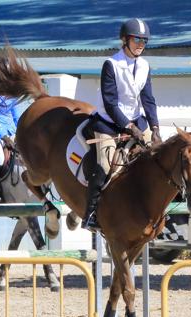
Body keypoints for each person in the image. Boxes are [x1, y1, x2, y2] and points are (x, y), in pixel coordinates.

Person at [81, 18, 162, 230]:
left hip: (137, 122)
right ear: (125, 40)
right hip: (109, 124)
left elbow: (148, 99)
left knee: (158, 158)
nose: (141, 44)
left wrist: (155, 128)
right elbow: (110, 103)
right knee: (105, 164)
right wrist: (129, 127)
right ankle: (90, 214)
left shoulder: (144, 65)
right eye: (137, 39)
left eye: (144, 41)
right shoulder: (111, 64)